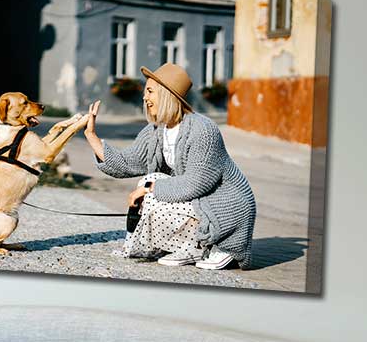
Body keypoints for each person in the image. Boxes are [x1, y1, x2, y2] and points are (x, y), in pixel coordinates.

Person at [84, 63, 256, 270]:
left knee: (151, 188)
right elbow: (126, 163)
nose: (144, 98)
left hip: (225, 205)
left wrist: (149, 190)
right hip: (198, 200)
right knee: (150, 180)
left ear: (166, 94)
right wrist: (91, 136)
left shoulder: (204, 130)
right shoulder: (157, 129)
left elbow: (196, 184)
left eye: (150, 91)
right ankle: (190, 246)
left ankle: (216, 245)